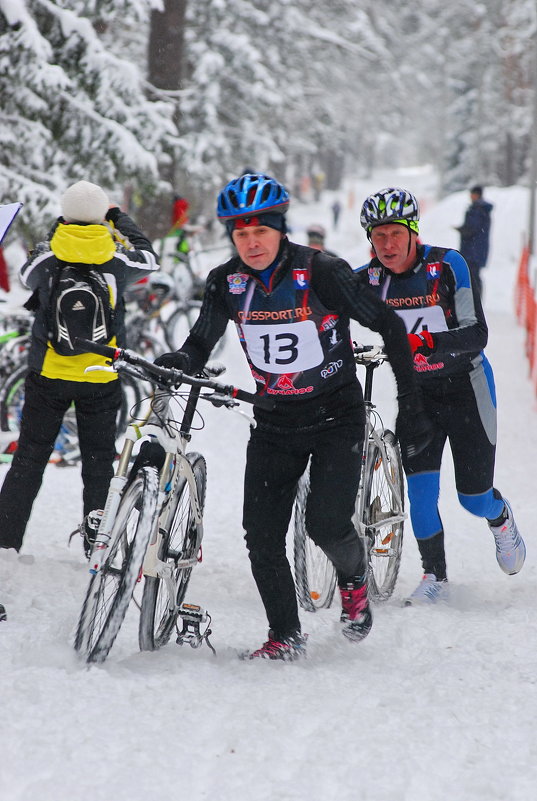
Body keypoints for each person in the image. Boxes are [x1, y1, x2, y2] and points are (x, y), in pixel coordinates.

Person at [154, 173, 432, 660]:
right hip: (274, 420)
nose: (252, 243)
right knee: (260, 536)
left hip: (334, 418)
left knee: (325, 525)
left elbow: (387, 323)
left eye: (261, 232)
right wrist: (182, 360)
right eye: (241, 234)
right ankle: (284, 635)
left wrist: (409, 403)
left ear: (281, 229)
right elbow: (202, 340)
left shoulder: (322, 270)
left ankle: (354, 577)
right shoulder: (226, 281)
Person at [356, 187, 525, 604]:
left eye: (395, 234)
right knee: (421, 495)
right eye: (378, 237)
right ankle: (435, 575)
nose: (387, 245)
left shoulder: (449, 265)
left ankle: (500, 518)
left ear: (414, 231)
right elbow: (322, 307)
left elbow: (477, 333)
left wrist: (429, 343)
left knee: (473, 498)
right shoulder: (368, 279)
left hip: (467, 389)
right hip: (418, 397)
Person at [0, 180, 158, 558]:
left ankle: (5, 540)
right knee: (100, 460)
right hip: (100, 376)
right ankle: (97, 543)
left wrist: (59, 230)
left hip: (48, 374)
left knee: (30, 457)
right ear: (103, 215)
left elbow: (25, 277)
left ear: (65, 215)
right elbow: (150, 258)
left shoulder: (47, 257)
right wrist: (118, 220)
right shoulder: (117, 261)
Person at [454, 185, 493, 298]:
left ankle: (475, 299)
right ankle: (475, 298)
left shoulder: (477, 210)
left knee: (472, 276)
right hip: (477, 249)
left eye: (472, 194)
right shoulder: (481, 209)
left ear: (476, 194)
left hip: (473, 250)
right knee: (473, 275)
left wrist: (462, 230)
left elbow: (472, 228)